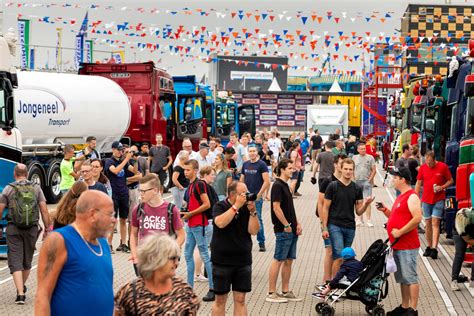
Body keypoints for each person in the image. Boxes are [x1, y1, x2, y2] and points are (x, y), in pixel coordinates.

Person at [35, 190, 115, 315]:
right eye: (110, 214)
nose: (114, 220)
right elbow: (42, 296)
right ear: (93, 214)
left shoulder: (103, 244)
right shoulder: (59, 240)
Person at [0, 164, 51, 304]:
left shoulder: (8, 188)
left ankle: (20, 294)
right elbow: (44, 210)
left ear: (14, 174)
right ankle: (21, 287)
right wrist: (48, 229)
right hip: (32, 229)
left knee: (15, 259)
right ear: (27, 174)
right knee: (27, 261)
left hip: (13, 228)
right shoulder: (36, 188)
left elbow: (0, 209)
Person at [115, 235, 200, 315]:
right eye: (173, 258)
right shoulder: (130, 292)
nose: (177, 263)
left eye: (177, 258)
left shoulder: (184, 291)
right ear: (156, 259)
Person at [376, 167, 422, 316]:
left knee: (410, 277)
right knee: (402, 278)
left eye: (395, 177)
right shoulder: (401, 196)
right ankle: (404, 306)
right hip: (398, 244)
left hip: (408, 245)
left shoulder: (411, 196)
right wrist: (386, 211)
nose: (393, 179)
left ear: (403, 179)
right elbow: (398, 216)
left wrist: (400, 232)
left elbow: (417, 219)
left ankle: (413, 310)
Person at [210, 181, 260, 315]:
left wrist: (253, 212)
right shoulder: (219, 206)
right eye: (243, 193)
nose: (247, 195)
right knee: (220, 299)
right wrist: (236, 206)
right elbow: (220, 223)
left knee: (241, 299)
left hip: (242, 260)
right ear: (233, 195)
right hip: (222, 261)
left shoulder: (246, 208)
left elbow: (254, 231)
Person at [321, 158, 374, 275]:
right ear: (341, 168)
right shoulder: (332, 186)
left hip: (350, 227)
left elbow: (359, 212)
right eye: (345, 169)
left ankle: (339, 281)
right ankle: (333, 285)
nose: (348, 172)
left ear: (353, 171)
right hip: (335, 225)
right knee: (339, 256)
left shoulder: (356, 188)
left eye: (350, 169)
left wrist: (366, 204)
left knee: (345, 257)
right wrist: (324, 227)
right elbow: (325, 208)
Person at [130, 174, 185, 275]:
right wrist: (135, 256)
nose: (140, 194)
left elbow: (181, 235)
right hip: (144, 261)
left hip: (164, 262)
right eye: (140, 190)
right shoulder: (137, 209)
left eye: (143, 191)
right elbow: (133, 234)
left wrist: (170, 252)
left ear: (155, 190)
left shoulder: (171, 210)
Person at [266, 158, 303, 303]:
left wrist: (297, 223)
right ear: (282, 169)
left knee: (289, 260)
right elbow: (276, 207)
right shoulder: (277, 186)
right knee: (278, 259)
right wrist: (286, 225)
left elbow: (290, 208)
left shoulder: (287, 186)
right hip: (283, 230)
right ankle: (271, 292)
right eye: (289, 168)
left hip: (292, 229)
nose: (292, 170)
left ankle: (285, 290)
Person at [183, 159, 215, 302]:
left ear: (195, 171)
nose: (185, 172)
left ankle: (213, 288)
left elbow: (207, 204)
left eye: (188, 170)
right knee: (188, 254)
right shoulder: (190, 185)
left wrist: (191, 213)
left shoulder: (200, 184)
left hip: (198, 224)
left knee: (204, 255)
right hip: (190, 224)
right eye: (185, 169)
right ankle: (189, 289)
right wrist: (185, 213)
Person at [415, 151, 453, 259]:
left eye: (430, 162)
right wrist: (415, 197)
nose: (428, 164)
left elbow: (451, 180)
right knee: (427, 224)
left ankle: (434, 248)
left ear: (434, 160)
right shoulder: (423, 168)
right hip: (426, 199)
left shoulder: (443, 167)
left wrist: (442, 187)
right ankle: (429, 246)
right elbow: (418, 182)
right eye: (426, 162)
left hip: (438, 199)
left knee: (435, 222)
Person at [315, 154, 346, 286]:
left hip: (342, 223)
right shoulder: (327, 181)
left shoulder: (346, 181)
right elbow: (320, 204)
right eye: (341, 164)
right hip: (328, 222)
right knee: (330, 251)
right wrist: (323, 224)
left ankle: (336, 279)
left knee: (340, 253)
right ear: (335, 165)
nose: (343, 167)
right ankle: (327, 281)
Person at [105, 141, 139, 254]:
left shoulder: (123, 161)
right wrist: (125, 160)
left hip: (124, 193)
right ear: (113, 149)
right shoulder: (109, 161)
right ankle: (109, 244)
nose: (120, 152)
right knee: (113, 221)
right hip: (114, 194)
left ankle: (123, 243)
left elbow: (135, 172)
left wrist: (133, 160)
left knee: (124, 219)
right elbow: (115, 170)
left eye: (121, 150)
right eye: (118, 150)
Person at [240, 144, 270, 252]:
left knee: (258, 218)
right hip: (245, 196)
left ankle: (261, 242)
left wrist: (259, 195)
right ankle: (244, 242)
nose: (252, 153)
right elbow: (241, 180)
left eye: (253, 151)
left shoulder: (262, 165)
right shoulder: (245, 164)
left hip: (256, 197)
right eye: (250, 151)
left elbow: (267, 181)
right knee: (243, 218)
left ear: (257, 152)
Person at [353, 142, 376, 227]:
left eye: (364, 148)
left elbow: (374, 170)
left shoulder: (370, 158)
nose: (363, 150)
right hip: (357, 182)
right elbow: (352, 168)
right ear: (358, 150)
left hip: (366, 182)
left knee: (367, 201)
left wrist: (369, 180)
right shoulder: (354, 157)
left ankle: (369, 220)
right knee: (358, 201)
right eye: (361, 149)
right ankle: (359, 219)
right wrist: (353, 178)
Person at [451, 208, 474, 290]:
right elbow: (468, 240)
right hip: (459, 230)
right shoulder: (462, 222)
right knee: (460, 254)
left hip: (470, 227)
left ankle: (473, 280)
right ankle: (454, 280)